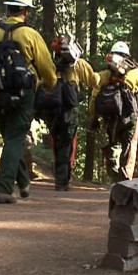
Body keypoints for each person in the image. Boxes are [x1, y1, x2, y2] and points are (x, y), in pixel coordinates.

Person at [0, 0, 56, 204]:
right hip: (22, 93)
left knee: (11, 138)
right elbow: (46, 67)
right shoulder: (30, 35)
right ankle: (3, 189)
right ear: (26, 11)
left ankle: (23, 182)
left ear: (9, 8)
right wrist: (49, 84)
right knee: (15, 139)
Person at [36, 33, 100, 191]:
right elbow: (93, 81)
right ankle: (62, 181)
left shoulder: (50, 64)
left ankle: (60, 176)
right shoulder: (79, 65)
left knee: (57, 141)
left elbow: (41, 82)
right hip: (69, 109)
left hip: (52, 109)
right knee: (66, 143)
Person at [90, 41, 138, 182]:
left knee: (114, 143)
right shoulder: (134, 74)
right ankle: (125, 179)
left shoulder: (105, 76)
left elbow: (94, 96)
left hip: (110, 117)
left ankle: (113, 173)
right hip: (129, 116)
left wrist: (94, 117)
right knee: (130, 146)